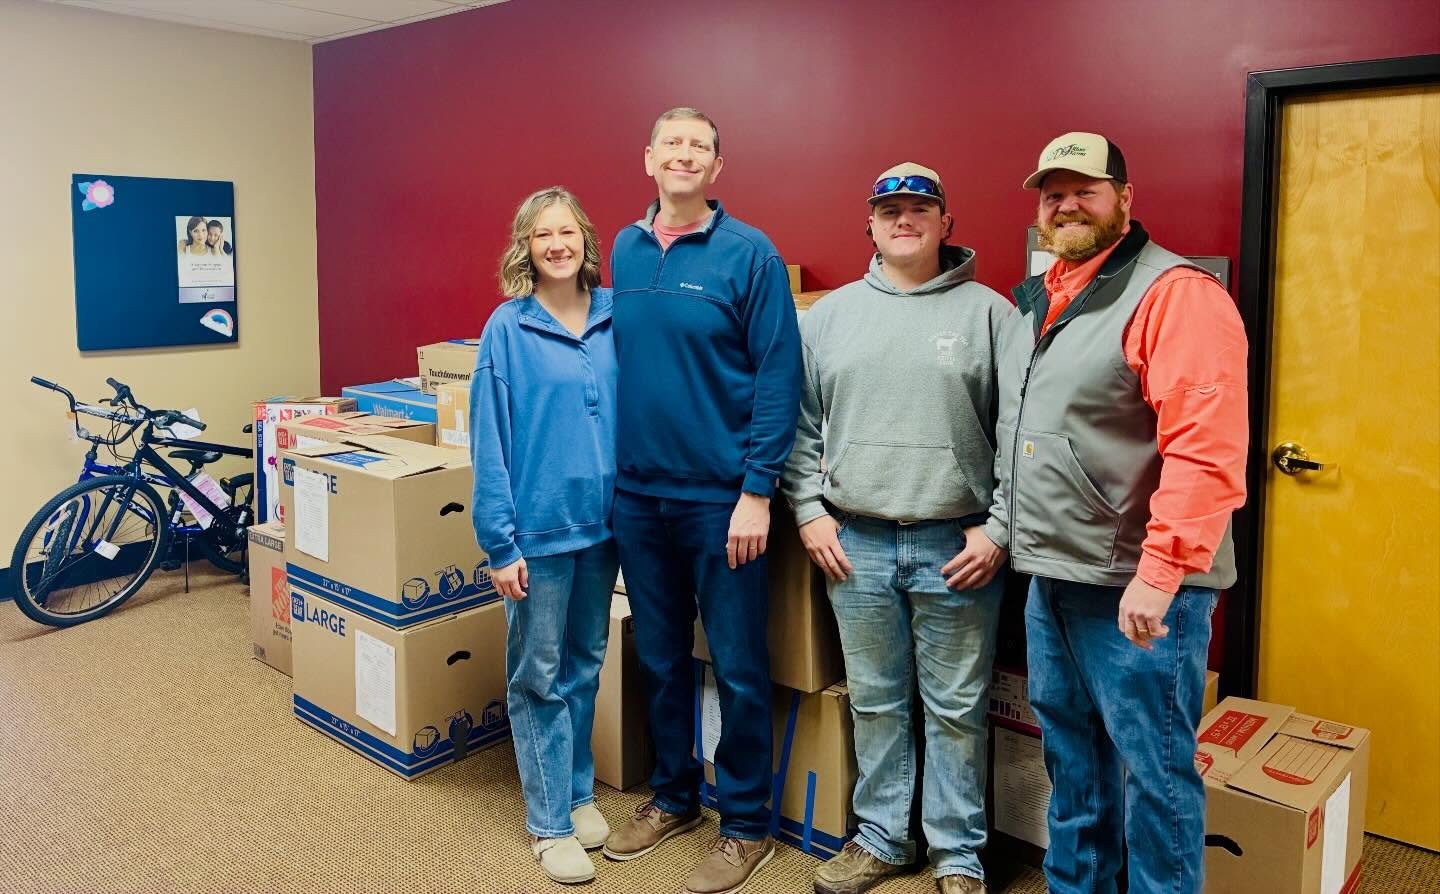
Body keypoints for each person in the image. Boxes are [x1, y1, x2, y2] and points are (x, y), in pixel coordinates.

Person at [964, 132, 1248, 894]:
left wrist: (1160, 575)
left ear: (1126, 198)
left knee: (1154, 778)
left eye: (1086, 189)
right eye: (1052, 193)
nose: (1066, 204)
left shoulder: (1175, 294)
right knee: (1074, 761)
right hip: (1054, 577)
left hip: (1137, 590)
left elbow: (1207, 450)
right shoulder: (1047, 296)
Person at [782, 163, 1012, 894]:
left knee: (955, 709)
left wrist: (1000, 528)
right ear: (871, 225)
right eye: (889, 209)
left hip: (958, 544)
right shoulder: (830, 317)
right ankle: (883, 838)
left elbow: (1021, 432)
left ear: (947, 223)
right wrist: (810, 512)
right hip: (856, 542)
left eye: (920, 207)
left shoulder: (991, 314)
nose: (903, 219)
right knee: (877, 699)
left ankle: (958, 855)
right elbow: (799, 426)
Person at [602, 107, 801, 894]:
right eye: (672, 143)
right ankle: (675, 797)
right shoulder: (621, 246)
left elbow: (781, 377)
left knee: (741, 666)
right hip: (638, 497)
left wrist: (757, 493)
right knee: (658, 659)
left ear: (717, 168)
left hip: (722, 502)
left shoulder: (750, 255)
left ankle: (746, 825)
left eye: (700, 147)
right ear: (648, 157)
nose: (684, 155)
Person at [468, 186, 619, 885]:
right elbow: (489, 438)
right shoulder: (509, 327)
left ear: (586, 239)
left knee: (586, 664)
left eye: (567, 232)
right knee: (539, 676)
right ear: (525, 248)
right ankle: (549, 823)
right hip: (538, 532)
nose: (557, 244)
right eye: (541, 235)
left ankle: (578, 790)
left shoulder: (619, 315)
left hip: (606, 527)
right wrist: (499, 542)